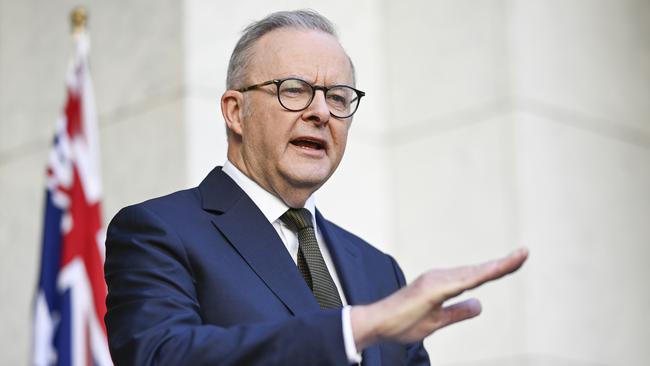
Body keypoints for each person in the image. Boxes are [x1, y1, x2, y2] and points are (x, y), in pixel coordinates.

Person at [104, 9, 528, 365]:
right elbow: (161, 356)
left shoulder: (380, 271)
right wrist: (355, 328)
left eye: (339, 97)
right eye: (295, 90)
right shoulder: (158, 230)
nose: (322, 112)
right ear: (235, 111)